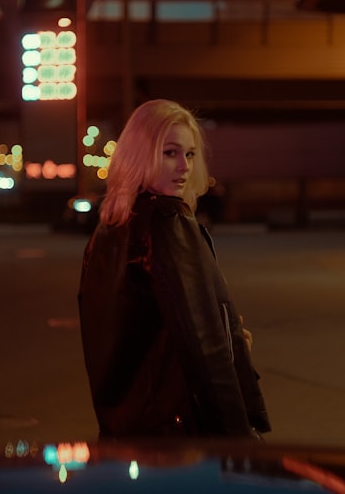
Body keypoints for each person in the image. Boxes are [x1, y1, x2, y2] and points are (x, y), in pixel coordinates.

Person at [78, 99, 271, 439]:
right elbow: (204, 345)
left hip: (125, 432)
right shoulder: (168, 223)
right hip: (180, 436)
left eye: (190, 154)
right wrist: (238, 442)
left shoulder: (109, 230)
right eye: (170, 153)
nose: (183, 166)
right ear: (141, 155)